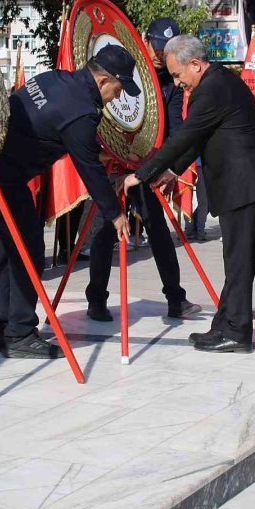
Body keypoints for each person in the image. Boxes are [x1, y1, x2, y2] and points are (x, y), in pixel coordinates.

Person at [0, 45, 138, 359]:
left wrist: (92, 153)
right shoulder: (82, 110)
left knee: (2, 254)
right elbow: (90, 170)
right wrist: (115, 214)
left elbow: (58, 133)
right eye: (118, 89)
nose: (117, 97)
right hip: (3, 178)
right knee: (28, 254)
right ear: (102, 81)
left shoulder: (54, 79)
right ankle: (20, 333)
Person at [124, 35, 255, 353]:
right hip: (246, 184)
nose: (178, 83)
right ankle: (225, 325)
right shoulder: (217, 82)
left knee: (239, 262)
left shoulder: (211, 89)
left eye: (179, 75)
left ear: (195, 63)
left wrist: (142, 173)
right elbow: (198, 140)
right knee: (237, 262)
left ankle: (236, 332)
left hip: (244, 185)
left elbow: (186, 136)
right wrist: (172, 171)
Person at [85, 18, 201, 323]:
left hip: (144, 167)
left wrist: (162, 165)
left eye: (166, 51)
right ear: (144, 41)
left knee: (159, 231)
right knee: (104, 230)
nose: (158, 56)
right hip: (112, 163)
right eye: (155, 47)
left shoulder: (171, 84)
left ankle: (175, 298)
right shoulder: (125, 67)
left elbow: (175, 128)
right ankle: (96, 299)